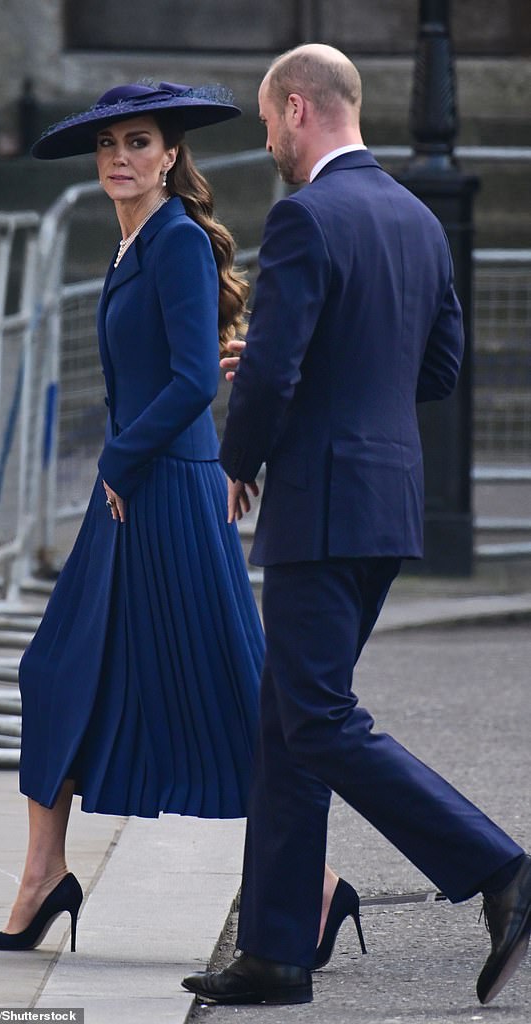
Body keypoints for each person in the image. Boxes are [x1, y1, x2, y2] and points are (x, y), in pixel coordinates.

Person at [182, 45, 531, 1008]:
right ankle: (277, 951)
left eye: (265, 122)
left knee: (319, 720)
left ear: (297, 108)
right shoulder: (417, 221)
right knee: (288, 721)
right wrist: (341, 387)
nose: (267, 142)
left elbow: (278, 373)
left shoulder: (304, 217)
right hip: (387, 502)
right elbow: (438, 368)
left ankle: (500, 868)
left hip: (321, 505)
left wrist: (238, 460)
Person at [0, 81, 349, 957]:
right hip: (134, 490)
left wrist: (119, 459)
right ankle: (44, 875)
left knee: (226, 690)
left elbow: (193, 379)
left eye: (138, 143)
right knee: (56, 671)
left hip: (162, 489)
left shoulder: (173, 239)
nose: (119, 159)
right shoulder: (134, 240)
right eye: (108, 147)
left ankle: (318, 884)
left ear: (171, 155)